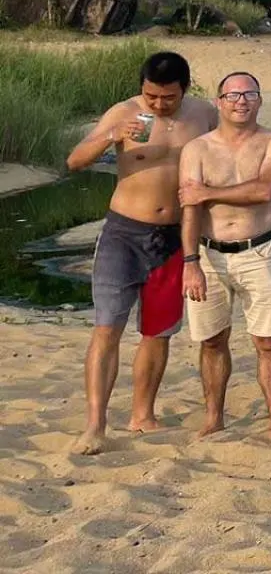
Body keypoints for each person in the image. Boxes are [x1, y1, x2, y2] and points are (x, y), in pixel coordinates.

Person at [65, 51, 218, 455]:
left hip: (174, 238)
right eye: (151, 96)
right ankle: (95, 424)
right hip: (124, 232)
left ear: (184, 89)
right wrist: (112, 136)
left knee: (158, 331)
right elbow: (75, 161)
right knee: (107, 327)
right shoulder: (123, 112)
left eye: (168, 97)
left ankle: (142, 414)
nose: (159, 104)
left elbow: (227, 154)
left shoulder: (203, 115)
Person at [178, 72, 271, 445]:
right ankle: (214, 417)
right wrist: (190, 262)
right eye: (233, 95)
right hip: (209, 253)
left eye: (249, 94)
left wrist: (207, 192)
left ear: (260, 100)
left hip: (259, 250)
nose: (241, 101)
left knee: (269, 341)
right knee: (212, 340)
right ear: (219, 101)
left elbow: (265, 189)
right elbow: (190, 209)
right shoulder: (197, 149)